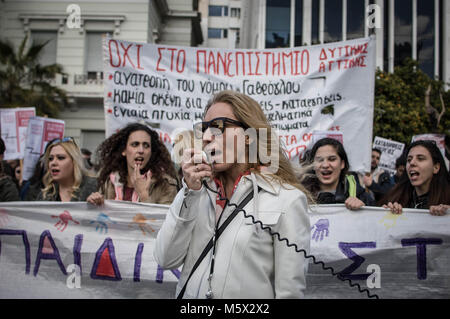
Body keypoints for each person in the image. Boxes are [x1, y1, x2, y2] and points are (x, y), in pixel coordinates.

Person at [154, 90, 311, 299]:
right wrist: (189, 193)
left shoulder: (287, 200)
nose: (208, 137)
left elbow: (289, 293)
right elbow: (166, 259)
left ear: (249, 136)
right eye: (204, 129)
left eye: (220, 126)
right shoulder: (196, 192)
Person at [87, 123, 178, 205]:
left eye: (146, 145)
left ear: (151, 152)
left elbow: (165, 221)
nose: (141, 150)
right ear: (124, 150)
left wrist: (144, 196)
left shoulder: (165, 184)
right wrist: (94, 204)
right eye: (135, 144)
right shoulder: (110, 181)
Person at [379, 140, 450, 216]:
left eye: (420, 158)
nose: (412, 163)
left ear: (436, 167)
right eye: (409, 160)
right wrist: (385, 213)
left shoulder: (447, 199)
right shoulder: (395, 197)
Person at [301, 138, 375, 210]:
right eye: (319, 160)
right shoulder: (300, 195)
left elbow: (377, 218)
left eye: (332, 159)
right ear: (312, 165)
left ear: (342, 164)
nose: (325, 165)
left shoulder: (360, 195)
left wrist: (364, 209)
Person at [37, 137, 97, 202]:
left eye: (60, 158)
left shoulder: (95, 187)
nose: (53, 163)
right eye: (50, 159)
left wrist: (98, 205)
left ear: (74, 162)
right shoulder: (45, 195)